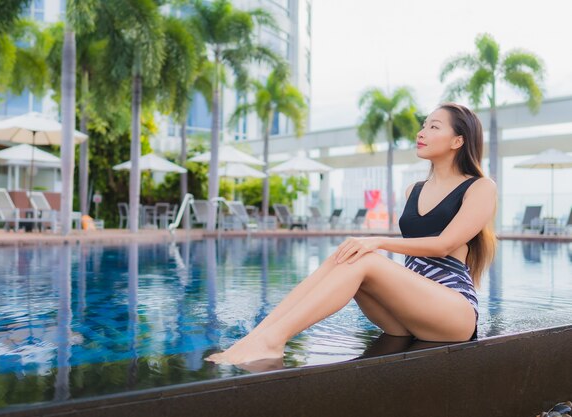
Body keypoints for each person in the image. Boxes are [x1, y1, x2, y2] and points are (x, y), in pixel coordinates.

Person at [206, 103, 497, 365]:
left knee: (366, 257)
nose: (422, 132)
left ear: (458, 141)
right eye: (424, 125)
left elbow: (444, 246)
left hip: (453, 314)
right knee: (347, 254)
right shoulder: (414, 190)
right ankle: (259, 336)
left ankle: (272, 342)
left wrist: (378, 241)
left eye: (434, 127)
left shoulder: (480, 188)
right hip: (407, 316)